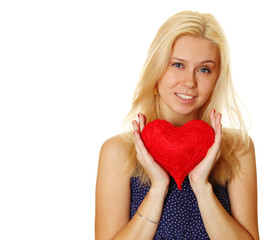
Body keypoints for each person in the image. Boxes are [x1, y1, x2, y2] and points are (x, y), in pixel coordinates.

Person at [95, 10, 259, 240]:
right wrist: (158, 188)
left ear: (215, 80)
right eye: (177, 65)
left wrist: (201, 187)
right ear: (156, 71)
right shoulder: (118, 151)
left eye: (204, 69)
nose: (190, 82)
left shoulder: (237, 149)